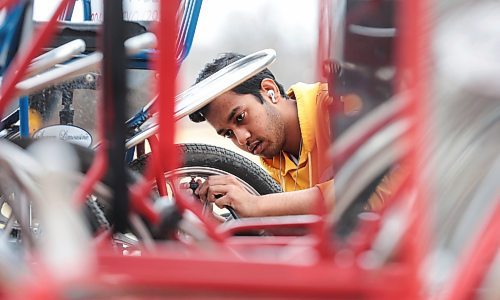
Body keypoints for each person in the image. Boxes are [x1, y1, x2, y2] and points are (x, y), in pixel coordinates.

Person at [189, 52, 397, 218]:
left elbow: (370, 188)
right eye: (228, 134)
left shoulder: (340, 105)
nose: (241, 139)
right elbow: (283, 233)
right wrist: (207, 221)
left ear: (270, 91)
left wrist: (257, 204)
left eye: (241, 118)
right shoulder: (274, 159)